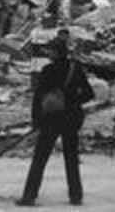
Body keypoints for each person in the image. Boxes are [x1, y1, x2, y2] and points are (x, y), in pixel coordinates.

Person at [17, 32, 94, 206]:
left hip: (51, 119)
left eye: (49, 50)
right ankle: (76, 195)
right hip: (72, 117)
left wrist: (36, 119)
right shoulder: (76, 68)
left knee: (40, 158)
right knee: (71, 158)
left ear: (54, 52)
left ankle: (29, 196)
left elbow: (38, 97)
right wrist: (72, 101)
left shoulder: (48, 71)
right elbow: (89, 94)